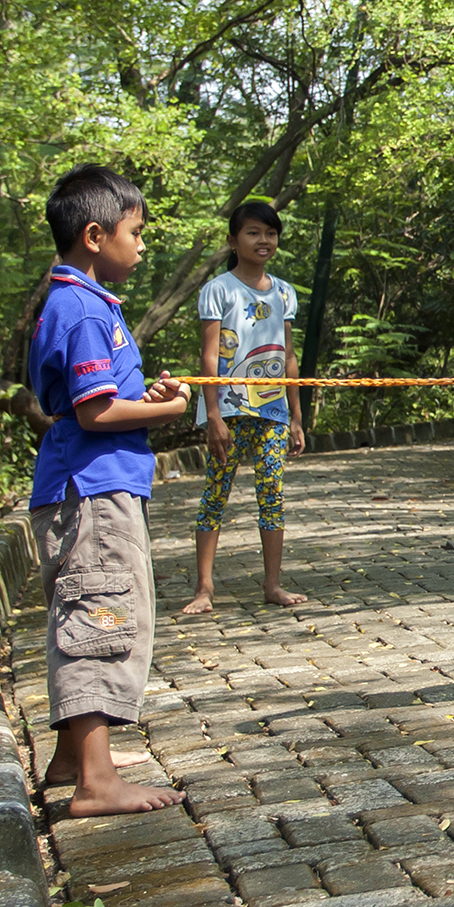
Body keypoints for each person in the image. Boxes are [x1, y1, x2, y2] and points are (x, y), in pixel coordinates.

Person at [24, 165, 190, 814]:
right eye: (136, 232)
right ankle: (96, 783)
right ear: (95, 234)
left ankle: (74, 757)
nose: (142, 244)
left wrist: (142, 398)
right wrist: (164, 412)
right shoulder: (82, 309)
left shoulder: (84, 303)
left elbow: (98, 396)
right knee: (100, 612)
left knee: (98, 605)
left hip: (92, 485)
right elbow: (94, 413)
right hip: (89, 491)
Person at [183, 200, 310, 614]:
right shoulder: (218, 289)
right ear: (233, 241)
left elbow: (289, 356)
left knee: (271, 495)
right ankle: (204, 589)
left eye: (270, 233)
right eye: (253, 232)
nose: (263, 240)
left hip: (272, 412)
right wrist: (213, 414)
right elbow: (208, 356)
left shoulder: (284, 292)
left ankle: (272, 584)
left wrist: (296, 414)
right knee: (215, 494)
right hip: (229, 412)